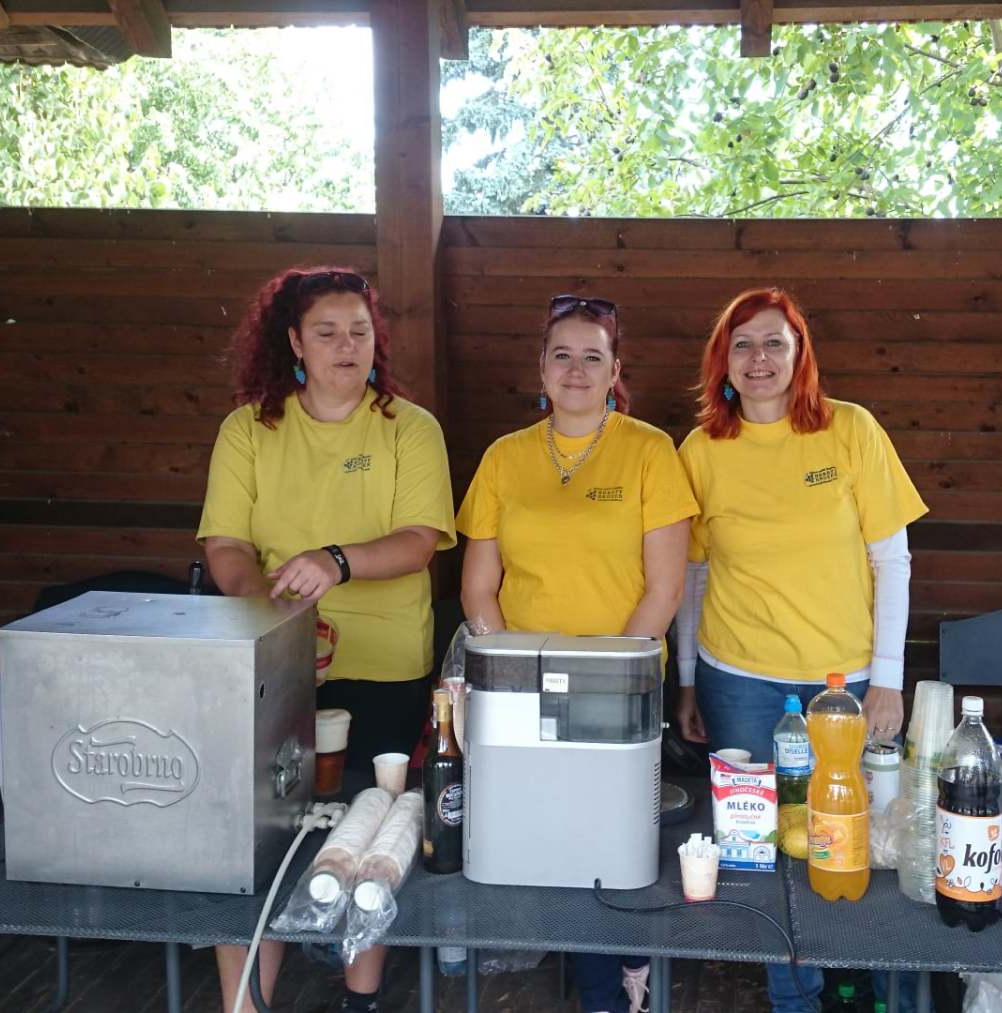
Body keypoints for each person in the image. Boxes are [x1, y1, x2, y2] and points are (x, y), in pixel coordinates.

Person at [197, 266, 456, 1013]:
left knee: (374, 829)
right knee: (255, 837)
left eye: (360, 331)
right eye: (327, 331)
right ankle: (247, 1005)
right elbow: (226, 546)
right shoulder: (248, 429)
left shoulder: (411, 427)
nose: (347, 345)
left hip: (385, 666)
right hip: (275, 666)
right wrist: (272, 614)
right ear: (294, 343)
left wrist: (336, 561)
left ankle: (359, 995)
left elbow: (419, 541)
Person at [673, 286, 926, 1013]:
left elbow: (893, 560)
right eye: (742, 344)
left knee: (854, 836)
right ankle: (795, 997)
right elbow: (692, 575)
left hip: (844, 686)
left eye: (773, 343)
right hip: (738, 683)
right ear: (723, 361)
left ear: (799, 355)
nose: (758, 358)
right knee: (766, 848)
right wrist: (687, 680)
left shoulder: (851, 430)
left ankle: (860, 980)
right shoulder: (701, 450)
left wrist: (888, 679)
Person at [457, 294, 696, 1013]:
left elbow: (664, 587)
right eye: (561, 355)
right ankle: (599, 985)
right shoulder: (504, 457)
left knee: (610, 838)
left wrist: (604, 675)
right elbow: (479, 586)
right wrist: (509, 673)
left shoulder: (650, 451)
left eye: (593, 356)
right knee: (546, 832)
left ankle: (624, 978)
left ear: (615, 371)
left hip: (617, 688)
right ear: (541, 368)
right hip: (519, 688)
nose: (576, 369)